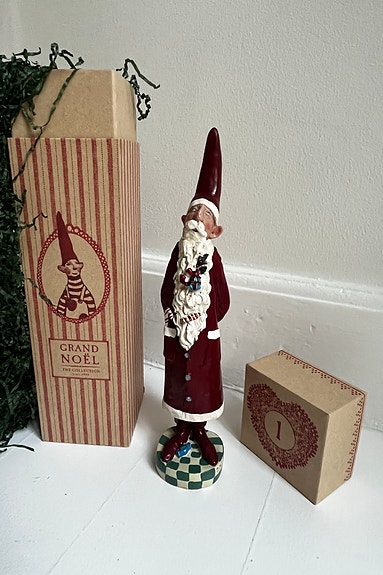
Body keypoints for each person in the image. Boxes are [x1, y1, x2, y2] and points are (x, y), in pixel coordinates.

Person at [160, 127, 230, 466]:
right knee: (177, 380)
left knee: (202, 384)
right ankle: (181, 430)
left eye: (205, 216)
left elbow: (223, 299)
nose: (196, 220)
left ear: (214, 231)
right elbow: (166, 287)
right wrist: (171, 314)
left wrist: (207, 320)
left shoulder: (212, 259)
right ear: (184, 219)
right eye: (193, 213)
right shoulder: (179, 252)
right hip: (177, 329)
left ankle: (199, 430)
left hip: (203, 333)